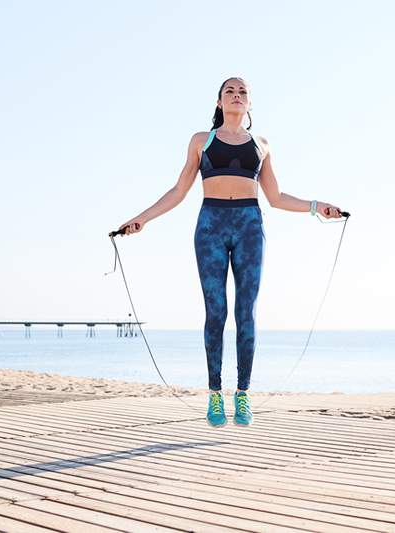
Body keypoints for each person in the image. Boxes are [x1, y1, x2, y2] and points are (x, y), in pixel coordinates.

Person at [118, 77, 343, 427]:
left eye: (243, 92)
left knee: (246, 312)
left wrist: (318, 206)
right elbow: (179, 191)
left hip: (250, 226)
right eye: (230, 92)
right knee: (216, 312)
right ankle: (214, 395)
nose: (237, 96)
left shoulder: (262, 144)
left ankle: (243, 394)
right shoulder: (201, 141)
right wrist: (142, 219)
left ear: (249, 104)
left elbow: (276, 198)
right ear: (219, 102)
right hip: (210, 225)